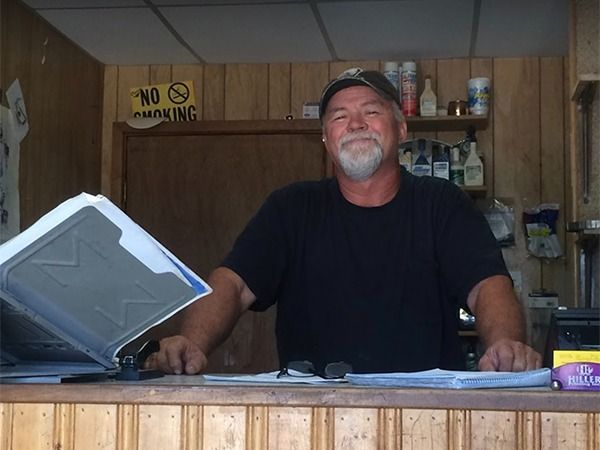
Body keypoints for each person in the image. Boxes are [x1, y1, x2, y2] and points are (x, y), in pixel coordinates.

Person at [147, 68, 541, 376]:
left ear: (401, 129)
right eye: (339, 116)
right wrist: (190, 342)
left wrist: (504, 347)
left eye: (371, 111)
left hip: (427, 413)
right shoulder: (291, 208)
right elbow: (233, 284)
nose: (355, 123)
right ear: (326, 139)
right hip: (313, 416)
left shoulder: (442, 203)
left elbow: (488, 286)